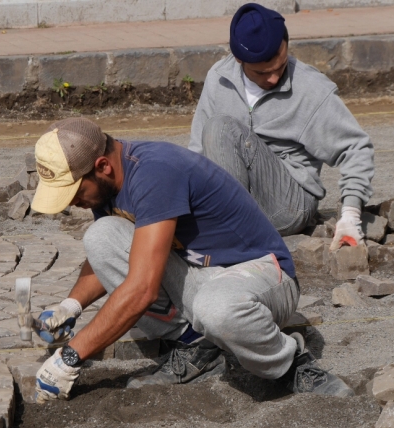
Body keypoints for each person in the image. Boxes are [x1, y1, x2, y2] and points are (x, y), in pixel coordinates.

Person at [28, 117, 354, 404]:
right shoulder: (108, 186)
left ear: (102, 166)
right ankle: (197, 347)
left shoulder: (155, 172)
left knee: (215, 309)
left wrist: (70, 357)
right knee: (101, 234)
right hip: (202, 276)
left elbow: (141, 289)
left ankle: (293, 365)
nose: (74, 203)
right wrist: (70, 306)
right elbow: (122, 251)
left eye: (74, 193)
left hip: (263, 275)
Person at [188, 3, 374, 250]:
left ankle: (229, 240)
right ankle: (225, 230)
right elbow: (198, 153)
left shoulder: (310, 89)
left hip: (289, 204)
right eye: (262, 73)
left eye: (281, 66)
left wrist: (350, 213)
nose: (274, 78)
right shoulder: (219, 78)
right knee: (210, 134)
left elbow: (355, 147)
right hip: (241, 201)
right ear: (239, 60)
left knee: (221, 128)